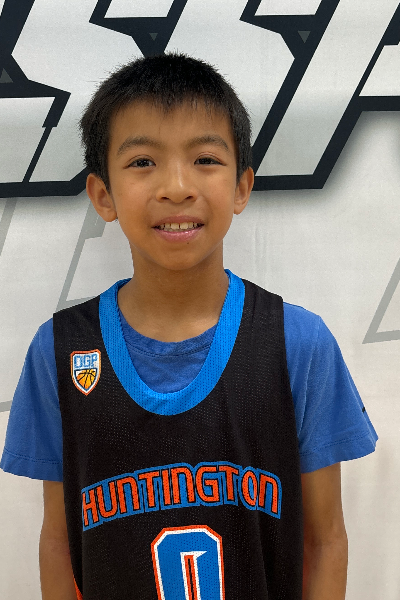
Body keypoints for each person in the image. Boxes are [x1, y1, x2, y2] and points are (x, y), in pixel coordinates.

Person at [1, 52, 377, 600]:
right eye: (142, 161)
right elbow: (59, 543)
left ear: (242, 187)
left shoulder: (297, 343)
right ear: (103, 195)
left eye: (204, 158)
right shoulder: (60, 350)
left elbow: (326, 541)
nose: (176, 187)